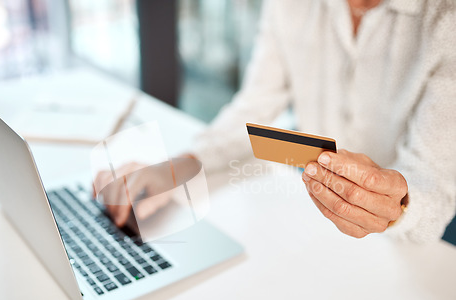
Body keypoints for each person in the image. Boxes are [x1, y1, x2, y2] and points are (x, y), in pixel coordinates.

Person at [94, 0, 456, 243]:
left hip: (410, 245)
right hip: (313, 220)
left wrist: (398, 206)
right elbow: (254, 107)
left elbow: (433, 182)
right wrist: (176, 167)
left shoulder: (446, 20)